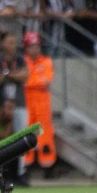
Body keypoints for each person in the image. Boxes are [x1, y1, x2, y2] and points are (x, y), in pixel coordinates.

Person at [0, 32, 30, 185]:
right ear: (2, 44)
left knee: (21, 138)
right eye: (9, 42)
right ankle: (4, 173)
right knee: (3, 140)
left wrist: (7, 74)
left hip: (19, 103)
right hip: (2, 106)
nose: (12, 45)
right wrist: (12, 75)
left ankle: (21, 173)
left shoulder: (20, 59)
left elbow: (25, 76)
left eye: (14, 42)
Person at [22, 31, 57, 176]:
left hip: (43, 104)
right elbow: (24, 82)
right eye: (31, 46)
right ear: (26, 48)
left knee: (45, 134)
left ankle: (48, 167)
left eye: (36, 46)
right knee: (26, 134)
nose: (34, 49)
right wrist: (35, 83)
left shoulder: (47, 61)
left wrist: (30, 82)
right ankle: (26, 167)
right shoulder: (23, 62)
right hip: (27, 103)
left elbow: (46, 81)